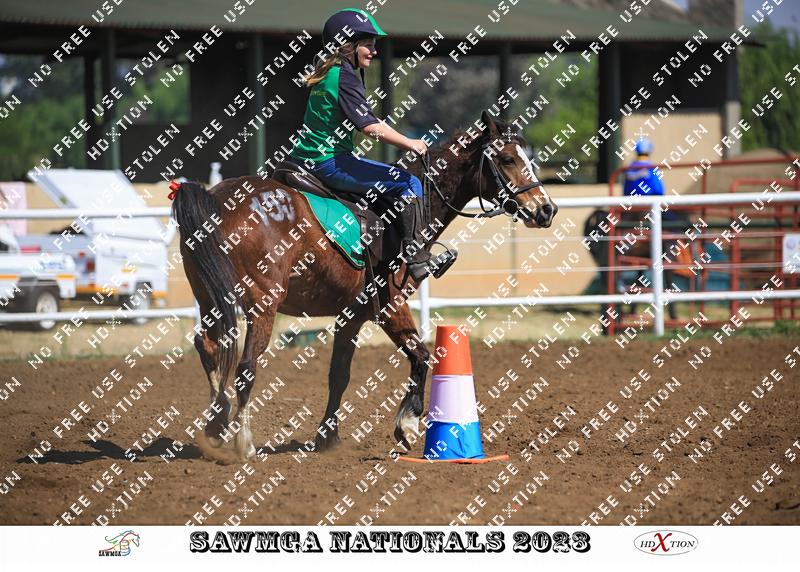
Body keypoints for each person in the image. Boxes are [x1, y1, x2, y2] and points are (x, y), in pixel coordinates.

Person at [289, 8, 436, 281]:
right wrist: (411, 144)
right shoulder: (344, 77)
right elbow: (369, 128)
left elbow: (372, 119)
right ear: (347, 45)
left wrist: (404, 139)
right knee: (409, 183)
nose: (374, 51)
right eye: (368, 44)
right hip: (329, 162)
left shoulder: (331, 73)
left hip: (303, 160)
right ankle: (417, 259)